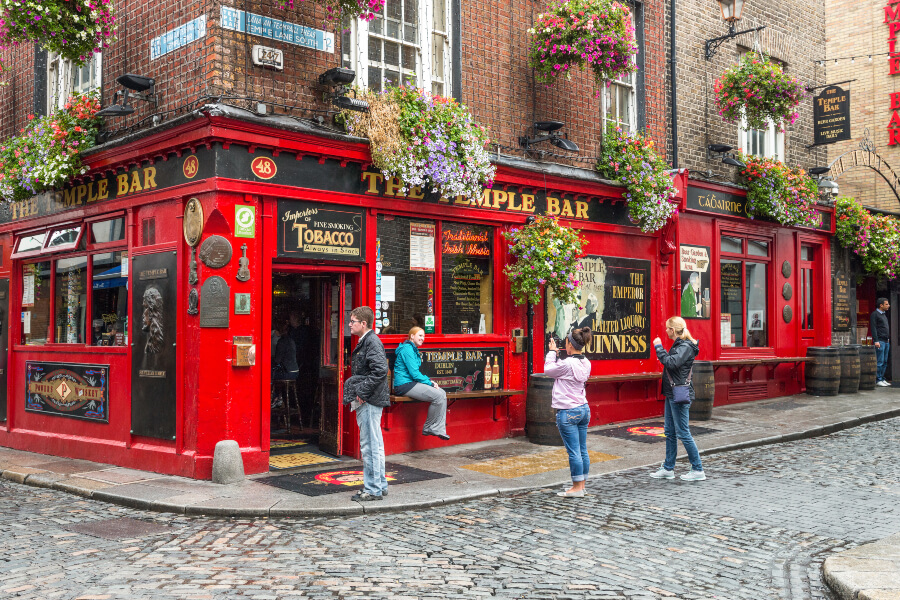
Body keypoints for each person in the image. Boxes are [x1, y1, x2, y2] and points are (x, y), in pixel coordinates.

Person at [651, 316, 705, 481]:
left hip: (679, 394)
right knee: (670, 432)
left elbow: (671, 363)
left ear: (672, 330)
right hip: (671, 393)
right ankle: (668, 468)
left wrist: (658, 347)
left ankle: (698, 469)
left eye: (667, 328)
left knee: (683, 432)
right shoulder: (681, 345)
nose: (666, 331)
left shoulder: (685, 346)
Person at [346, 306, 390, 501]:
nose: (349, 324)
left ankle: (372, 489)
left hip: (370, 400)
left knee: (370, 445)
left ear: (363, 324)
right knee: (375, 444)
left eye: (353, 321)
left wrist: (362, 392)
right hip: (372, 398)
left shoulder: (371, 342)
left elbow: (380, 371)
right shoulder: (368, 341)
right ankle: (380, 485)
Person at [545, 326, 593, 498]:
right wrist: (558, 357)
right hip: (583, 408)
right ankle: (582, 485)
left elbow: (549, 370)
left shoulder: (568, 364)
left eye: (566, 343)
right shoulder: (586, 363)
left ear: (570, 346)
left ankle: (576, 488)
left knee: (573, 451)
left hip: (568, 412)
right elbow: (563, 370)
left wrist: (551, 352)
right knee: (582, 449)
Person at [393, 327, 450, 440]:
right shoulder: (407, 349)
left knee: (442, 393)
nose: (422, 338)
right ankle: (432, 428)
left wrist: (429, 382)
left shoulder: (412, 349)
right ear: (412, 336)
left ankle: (432, 428)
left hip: (410, 383)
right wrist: (429, 382)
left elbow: (415, 374)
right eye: (420, 335)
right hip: (404, 385)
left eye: (423, 336)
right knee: (438, 395)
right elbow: (414, 373)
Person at [871, 297, 891, 387]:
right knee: (880, 361)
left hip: (886, 341)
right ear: (881, 305)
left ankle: (882, 378)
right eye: (887, 304)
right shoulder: (875, 314)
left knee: (885, 361)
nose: (889, 306)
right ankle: (878, 379)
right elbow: (873, 328)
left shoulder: (883, 314)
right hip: (880, 341)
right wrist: (876, 340)